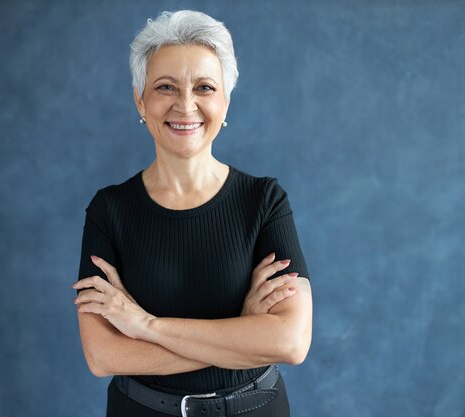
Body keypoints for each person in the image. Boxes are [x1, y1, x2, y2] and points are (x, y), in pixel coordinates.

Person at [72, 10, 312, 417]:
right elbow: (103, 355)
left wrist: (146, 326)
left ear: (224, 100)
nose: (186, 105)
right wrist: (241, 330)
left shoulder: (264, 201)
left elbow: (290, 342)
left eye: (204, 87)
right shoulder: (108, 211)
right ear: (140, 100)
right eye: (166, 86)